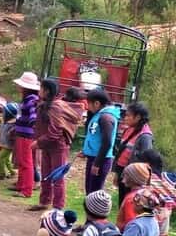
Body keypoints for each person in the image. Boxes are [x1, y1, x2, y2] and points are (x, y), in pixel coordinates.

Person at [34, 79, 82, 211]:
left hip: (58, 147)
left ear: (47, 91)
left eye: (41, 88)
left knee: (58, 177)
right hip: (47, 146)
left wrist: (38, 142)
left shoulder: (56, 106)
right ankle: (44, 202)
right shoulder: (46, 104)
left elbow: (55, 132)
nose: (39, 91)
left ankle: (57, 207)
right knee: (45, 174)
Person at [81, 88, 120, 194]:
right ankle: (89, 210)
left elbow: (107, 143)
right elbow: (94, 136)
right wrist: (86, 150)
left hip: (100, 160)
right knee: (89, 191)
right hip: (93, 157)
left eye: (89, 103)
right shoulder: (99, 115)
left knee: (94, 193)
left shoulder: (106, 117)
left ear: (97, 103)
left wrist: (97, 164)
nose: (87, 107)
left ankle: (94, 211)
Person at [114, 102, 153, 203]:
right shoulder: (128, 130)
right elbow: (121, 153)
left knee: (130, 202)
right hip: (123, 172)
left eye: (128, 115)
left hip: (134, 177)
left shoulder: (145, 136)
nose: (125, 118)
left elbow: (146, 161)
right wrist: (117, 174)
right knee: (122, 201)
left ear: (138, 117)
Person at [11, 72, 40, 199]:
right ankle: (20, 184)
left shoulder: (32, 100)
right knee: (22, 160)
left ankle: (26, 189)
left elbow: (34, 115)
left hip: (26, 135)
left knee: (26, 161)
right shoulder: (28, 99)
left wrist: (32, 123)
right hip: (22, 133)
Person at [116, 162, 153, 232]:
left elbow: (131, 225)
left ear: (134, 178)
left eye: (126, 176)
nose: (123, 180)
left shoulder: (133, 199)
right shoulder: (146, 193)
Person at [0, 103, 18, 180]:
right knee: (6, 159)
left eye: (4, 112)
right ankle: (12, 172)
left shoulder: (13, 124)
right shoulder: (6, 121)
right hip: (5, 143)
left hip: (9, 145)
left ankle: (2, 173)